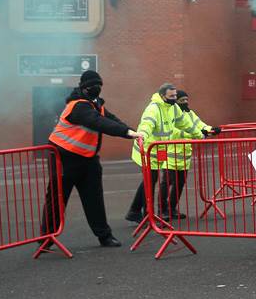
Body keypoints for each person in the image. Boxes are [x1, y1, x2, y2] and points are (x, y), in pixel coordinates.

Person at [42, 70, 142, 247]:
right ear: (83, 87)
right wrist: (126, 132)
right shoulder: (78, 106)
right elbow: (97, 122)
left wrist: (131, 132)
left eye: (99, 85)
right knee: (57, 198)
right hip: (64, 158)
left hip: (88, 160)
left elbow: (112, 120)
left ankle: (104, 235)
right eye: (93, 85)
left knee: (94, 199)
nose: (97, 88)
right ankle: (46, 239)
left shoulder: (97, 106)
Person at [125, 83, 205, 224]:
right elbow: (146, 124)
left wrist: (200, 134)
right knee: (150, 181)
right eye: (171, 96)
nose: (175, 98)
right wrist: (142, 135)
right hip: (146, 149)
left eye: (175, 95)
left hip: (159, 150)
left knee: (149, 181)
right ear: (163, 96)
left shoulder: (173, 108)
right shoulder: (153, 109)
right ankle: (147, 216)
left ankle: (134, 211)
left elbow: (186, 123)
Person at [159, 90, 218, 220]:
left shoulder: (189, 113)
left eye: (186, 99)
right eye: (182, 100)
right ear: (176, 101)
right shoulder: (169, 113)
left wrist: (211, 129)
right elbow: (172, 132)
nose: (185, 102)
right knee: (167, 182)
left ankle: (171, 209)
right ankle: (161, 210)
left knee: (180, 182)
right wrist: (194, 134)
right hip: (168, 153)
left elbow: (199, 125)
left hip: (183, 155)